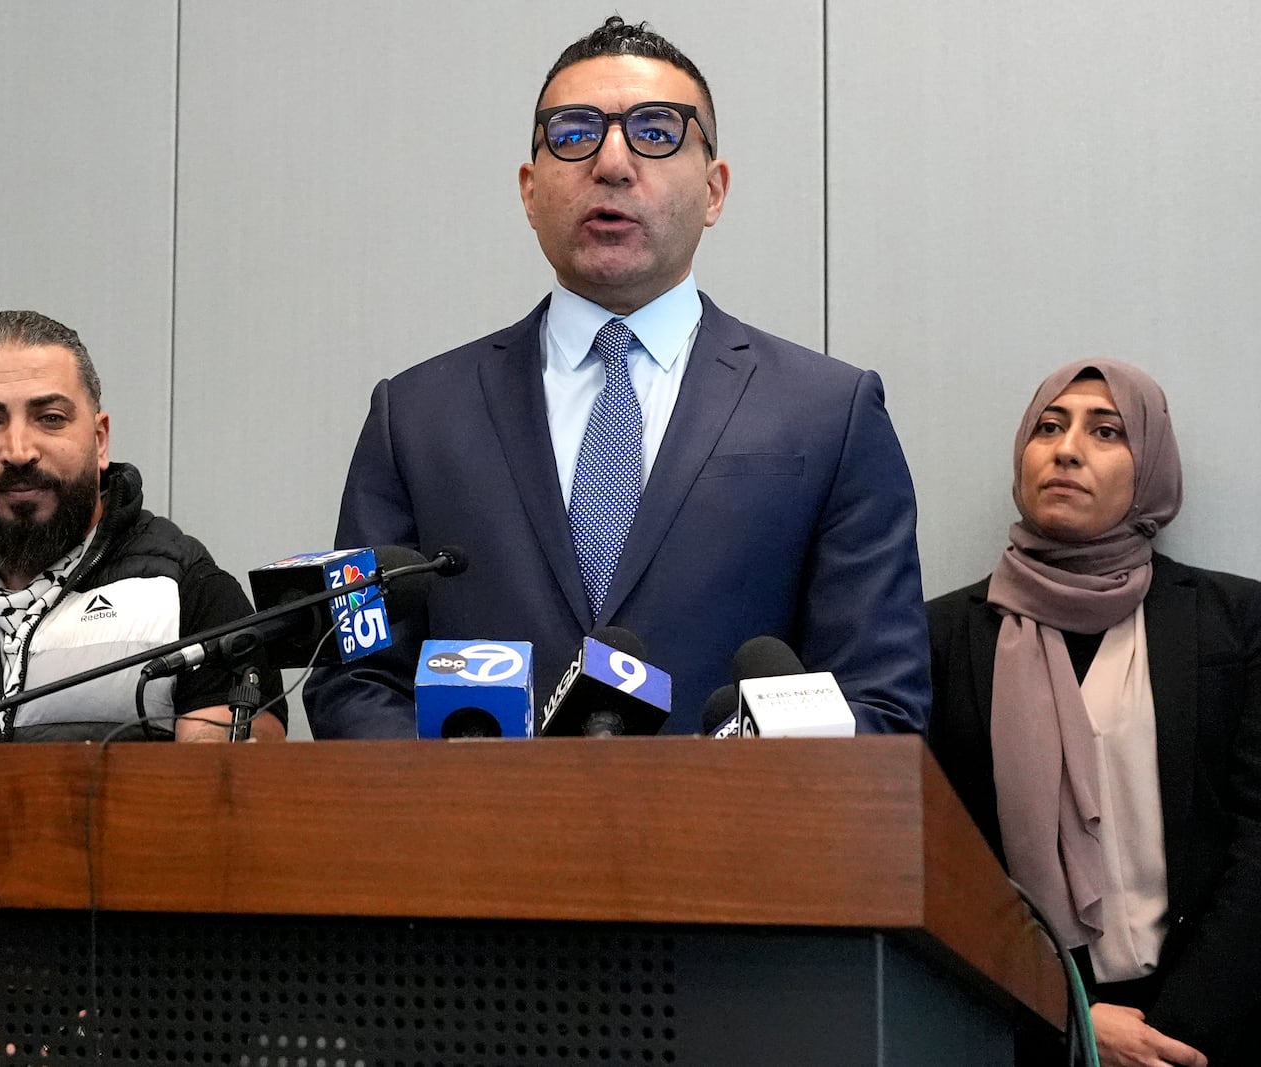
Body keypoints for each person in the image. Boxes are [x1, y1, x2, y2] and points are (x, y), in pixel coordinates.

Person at [305, 17, 928, 736]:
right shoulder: (413, 417)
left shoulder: (831, 413)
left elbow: (881, 699)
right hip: (477, 839)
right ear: (529, 190)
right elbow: (354, 677)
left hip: (734, 840)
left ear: (715, 190)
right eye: (573, 133)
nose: (612, 162)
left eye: (656, 131)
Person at [927, 360, 1261, 1066]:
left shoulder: (1235, 623)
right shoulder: (940, 635)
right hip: (1016, 1025)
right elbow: (943, 862)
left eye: (1106, 431)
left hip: (1203, 1033)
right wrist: (1071, 1017)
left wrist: (1176, 1033)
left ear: (1152, 468)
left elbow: (1255, 841)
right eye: (1048, 426)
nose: (1067, 448)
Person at [0, 310, 285, 744]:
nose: (19, 449)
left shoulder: (192, 601)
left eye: (51, 419)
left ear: (99, 441)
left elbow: (224, 801)